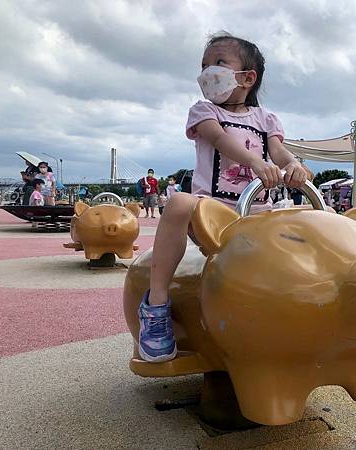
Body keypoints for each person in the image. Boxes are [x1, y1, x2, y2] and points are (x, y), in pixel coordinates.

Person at [137, 33, 309, 362]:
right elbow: (218, 139)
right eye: (203, 66)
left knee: (301, 229)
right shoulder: (204, 111)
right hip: (211, 215)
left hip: (256, 218)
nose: (206, 73)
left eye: (218, 64)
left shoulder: (265, 119)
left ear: (247, 78)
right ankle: (156, 304)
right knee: (178, 203)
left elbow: (278, 150)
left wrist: (294, 165)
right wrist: (255, 162)